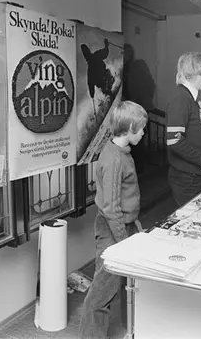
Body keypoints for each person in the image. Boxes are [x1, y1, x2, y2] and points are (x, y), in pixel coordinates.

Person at [79, 101, 148, 339]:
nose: (143, 133)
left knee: (115, 285)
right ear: (129, 128)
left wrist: (134, 226)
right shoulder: (114, 160)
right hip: (112, 229)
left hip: (123, 225)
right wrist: (123, 242)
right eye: (141, 128)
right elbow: (110, 207)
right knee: (101, 292)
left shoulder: (121, 152)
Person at [166, 52, 201, 206]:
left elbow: (194, 136)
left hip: (194, 174)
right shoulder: (181, 100)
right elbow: (175, 141)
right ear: (195, 73)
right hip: (187, 177)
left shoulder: (190, 99)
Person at [122, 44, 156, 173]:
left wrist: (144, 102)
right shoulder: (119, 67)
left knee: (137, 138)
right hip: (126, 108)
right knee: (126, 138)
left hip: (138, 107)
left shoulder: (138, 65)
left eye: (126, 53)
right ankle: (131, 167)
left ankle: (138, 167)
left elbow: (150, 85)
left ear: (130, 54)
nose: (124, 56)